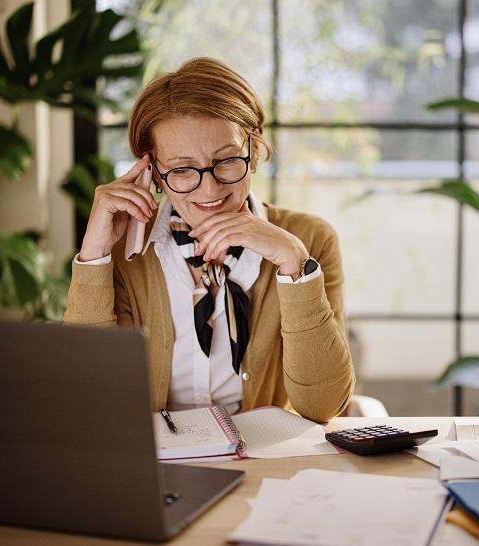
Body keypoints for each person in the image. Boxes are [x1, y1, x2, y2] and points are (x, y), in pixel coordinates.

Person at [64, 58, 355, 423]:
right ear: (152, 171)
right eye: (183, 169)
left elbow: (325, 405)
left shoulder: (311, 239)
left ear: (255, 150)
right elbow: (89, 399)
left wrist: (294, 262)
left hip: (261, 463)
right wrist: (94, 257)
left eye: (228, 160)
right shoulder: (126, 249)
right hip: (154, 464)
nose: (210, 188)